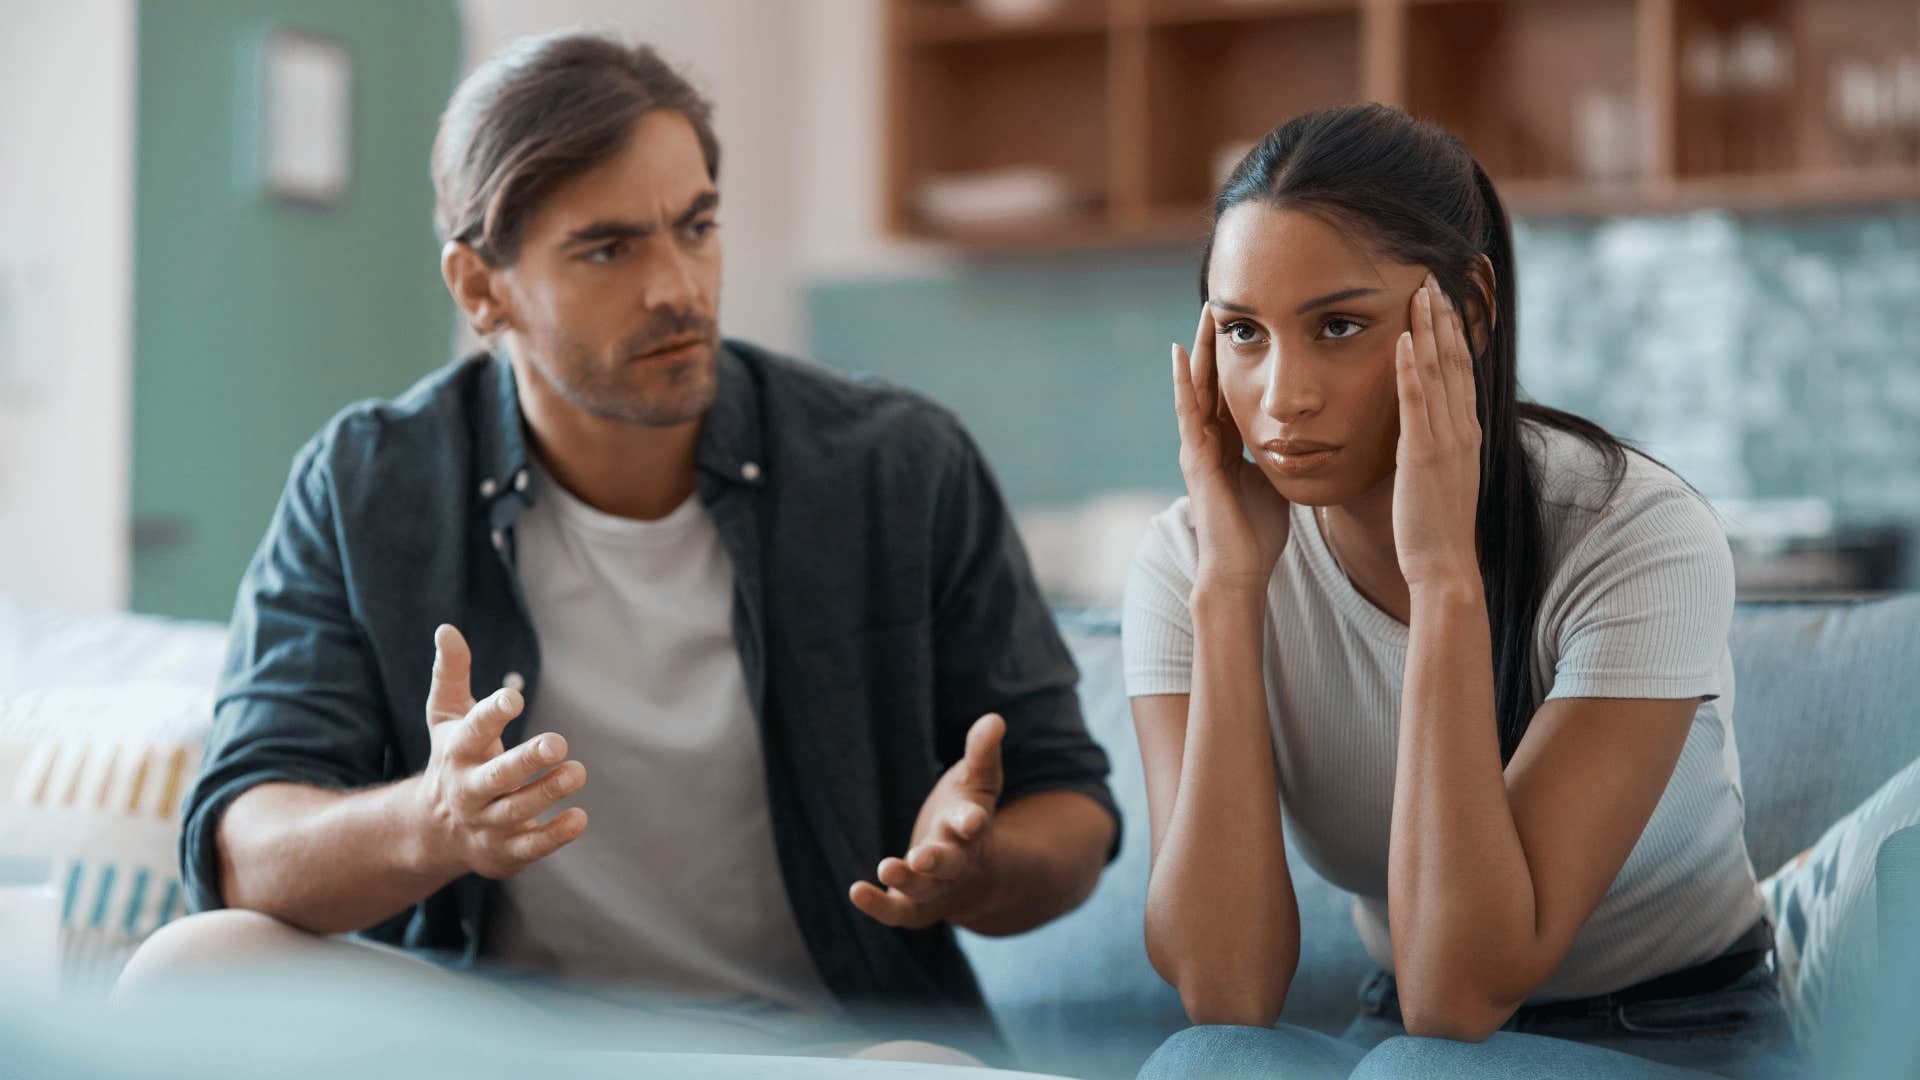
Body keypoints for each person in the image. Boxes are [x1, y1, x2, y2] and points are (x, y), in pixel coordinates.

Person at [118, 30, 1119, 1064]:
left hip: (816, 1048)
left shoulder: (899, 466)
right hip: (502, 1045)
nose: (677, 287)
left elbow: (1072, 813)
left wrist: (977, 866)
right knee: (189, 972)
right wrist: (436, 821)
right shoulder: (369, 482)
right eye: (608, 248)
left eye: (696, 226)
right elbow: (240, 847)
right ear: (480, 287)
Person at [1124, 103, 1798, 1079]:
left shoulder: (1634, 534)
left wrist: (1444, 576)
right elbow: (1224, 992)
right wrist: (1229, 590)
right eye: (1243, 333)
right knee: (1207, 1060)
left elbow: (1458, 994)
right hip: (1399, 1032)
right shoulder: (1193, 557)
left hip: (1682, 1035)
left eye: (1339, 325)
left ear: (1469, 313)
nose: (1281, 398)